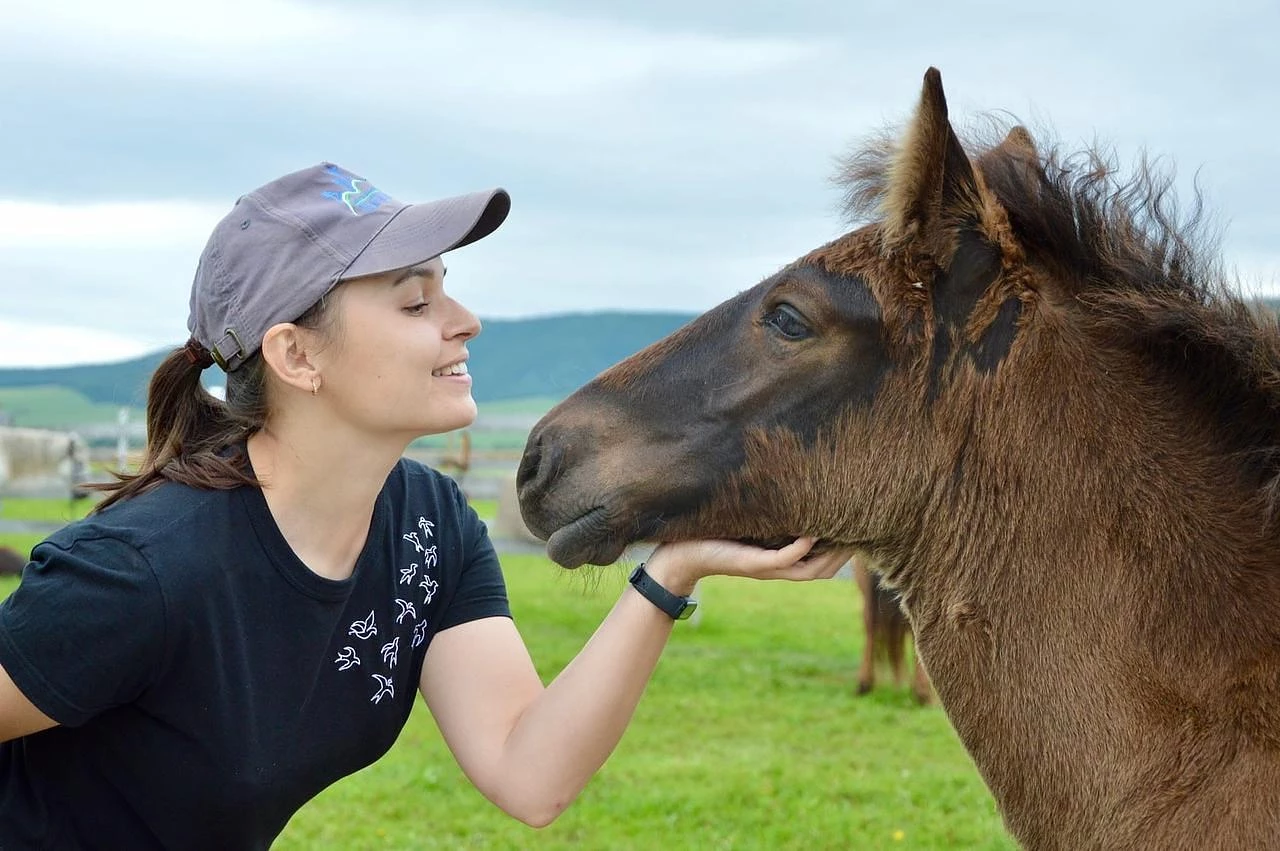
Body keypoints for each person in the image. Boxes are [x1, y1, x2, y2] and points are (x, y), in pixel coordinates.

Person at [0, 163, 849, 850]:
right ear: (296, 354)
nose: (465, 321)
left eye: (446, 289)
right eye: (415, 301)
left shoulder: (424, 525)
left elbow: (529, 770)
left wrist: (674, 566)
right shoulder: (145, 570)